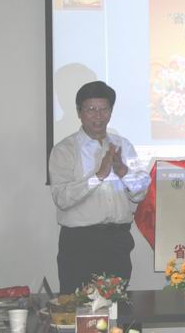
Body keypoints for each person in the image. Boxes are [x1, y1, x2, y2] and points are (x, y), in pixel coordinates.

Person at [49, 81, 151, 294]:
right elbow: (62, 198)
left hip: (117, 241)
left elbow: (141, 192)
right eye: (91, 109)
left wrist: (123, 172)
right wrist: (98, 176)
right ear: (79, 112)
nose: (98, 116)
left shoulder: (124, 146)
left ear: (111, 112)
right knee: (78, 308)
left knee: (117, 307)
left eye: (104, 109)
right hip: (80, 243)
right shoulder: (64, 150)